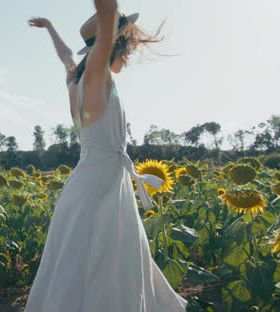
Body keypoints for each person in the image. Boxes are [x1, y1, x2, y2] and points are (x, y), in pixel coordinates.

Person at [24, 0, 189, 311]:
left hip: (88, 179)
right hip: (103, 183)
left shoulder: (76, 79)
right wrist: (107, 17)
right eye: (125, 45)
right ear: (113, 41)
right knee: (109, 263)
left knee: (81, 262)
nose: (128, 54)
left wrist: (50, 28)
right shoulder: (97, 74)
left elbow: (65, 56)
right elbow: (108, 11)